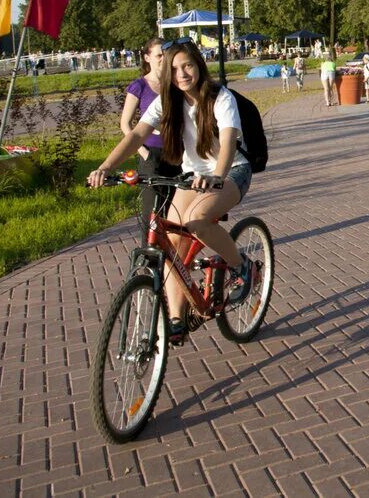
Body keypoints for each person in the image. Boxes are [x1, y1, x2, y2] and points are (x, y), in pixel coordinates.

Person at [88, 38, 254, 339]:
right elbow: (137, 134)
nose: (182, 74)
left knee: (196, 220)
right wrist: (106, 167)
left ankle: (241, 266)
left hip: (231, 172)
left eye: (187, 65)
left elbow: (228, 142)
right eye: (175, 68)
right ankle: (177, 321)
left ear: (199, 66)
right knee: (173, 242)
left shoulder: (220, 98)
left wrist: (218, 176)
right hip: (192, 175)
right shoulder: (167, 100)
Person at [120, 37, 181, 242]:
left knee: (176, 211)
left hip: (177, 154)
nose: (163, 59)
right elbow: (125, 124)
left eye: (165, 55)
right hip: (151, 155)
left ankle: (172, 258)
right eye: (158, 55)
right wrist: (144, 152)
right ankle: (149, 259)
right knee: (152, 213)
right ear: (147, 58)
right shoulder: (139, 86)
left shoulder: (175, 83)